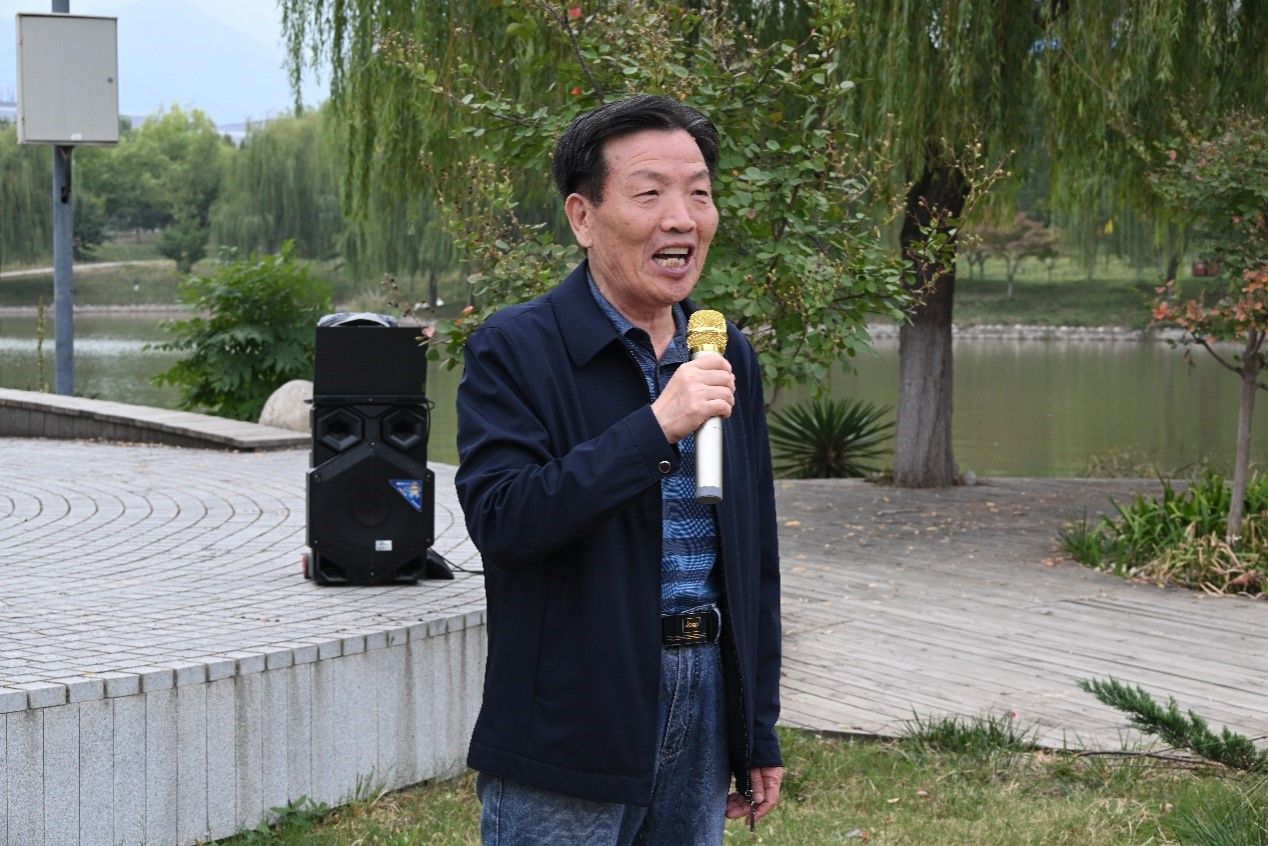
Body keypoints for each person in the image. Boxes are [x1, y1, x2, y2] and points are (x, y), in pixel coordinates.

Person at [455, 94, 783, 846]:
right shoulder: (516, 347)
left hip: (705, 697)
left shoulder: (723, 353)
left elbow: (754, 554)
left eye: (698, 193)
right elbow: (505, 520)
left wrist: (756, 727)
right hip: (571, 711)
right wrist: (656, 427)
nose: (682, 219)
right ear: (583, 216)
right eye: (650, 193)